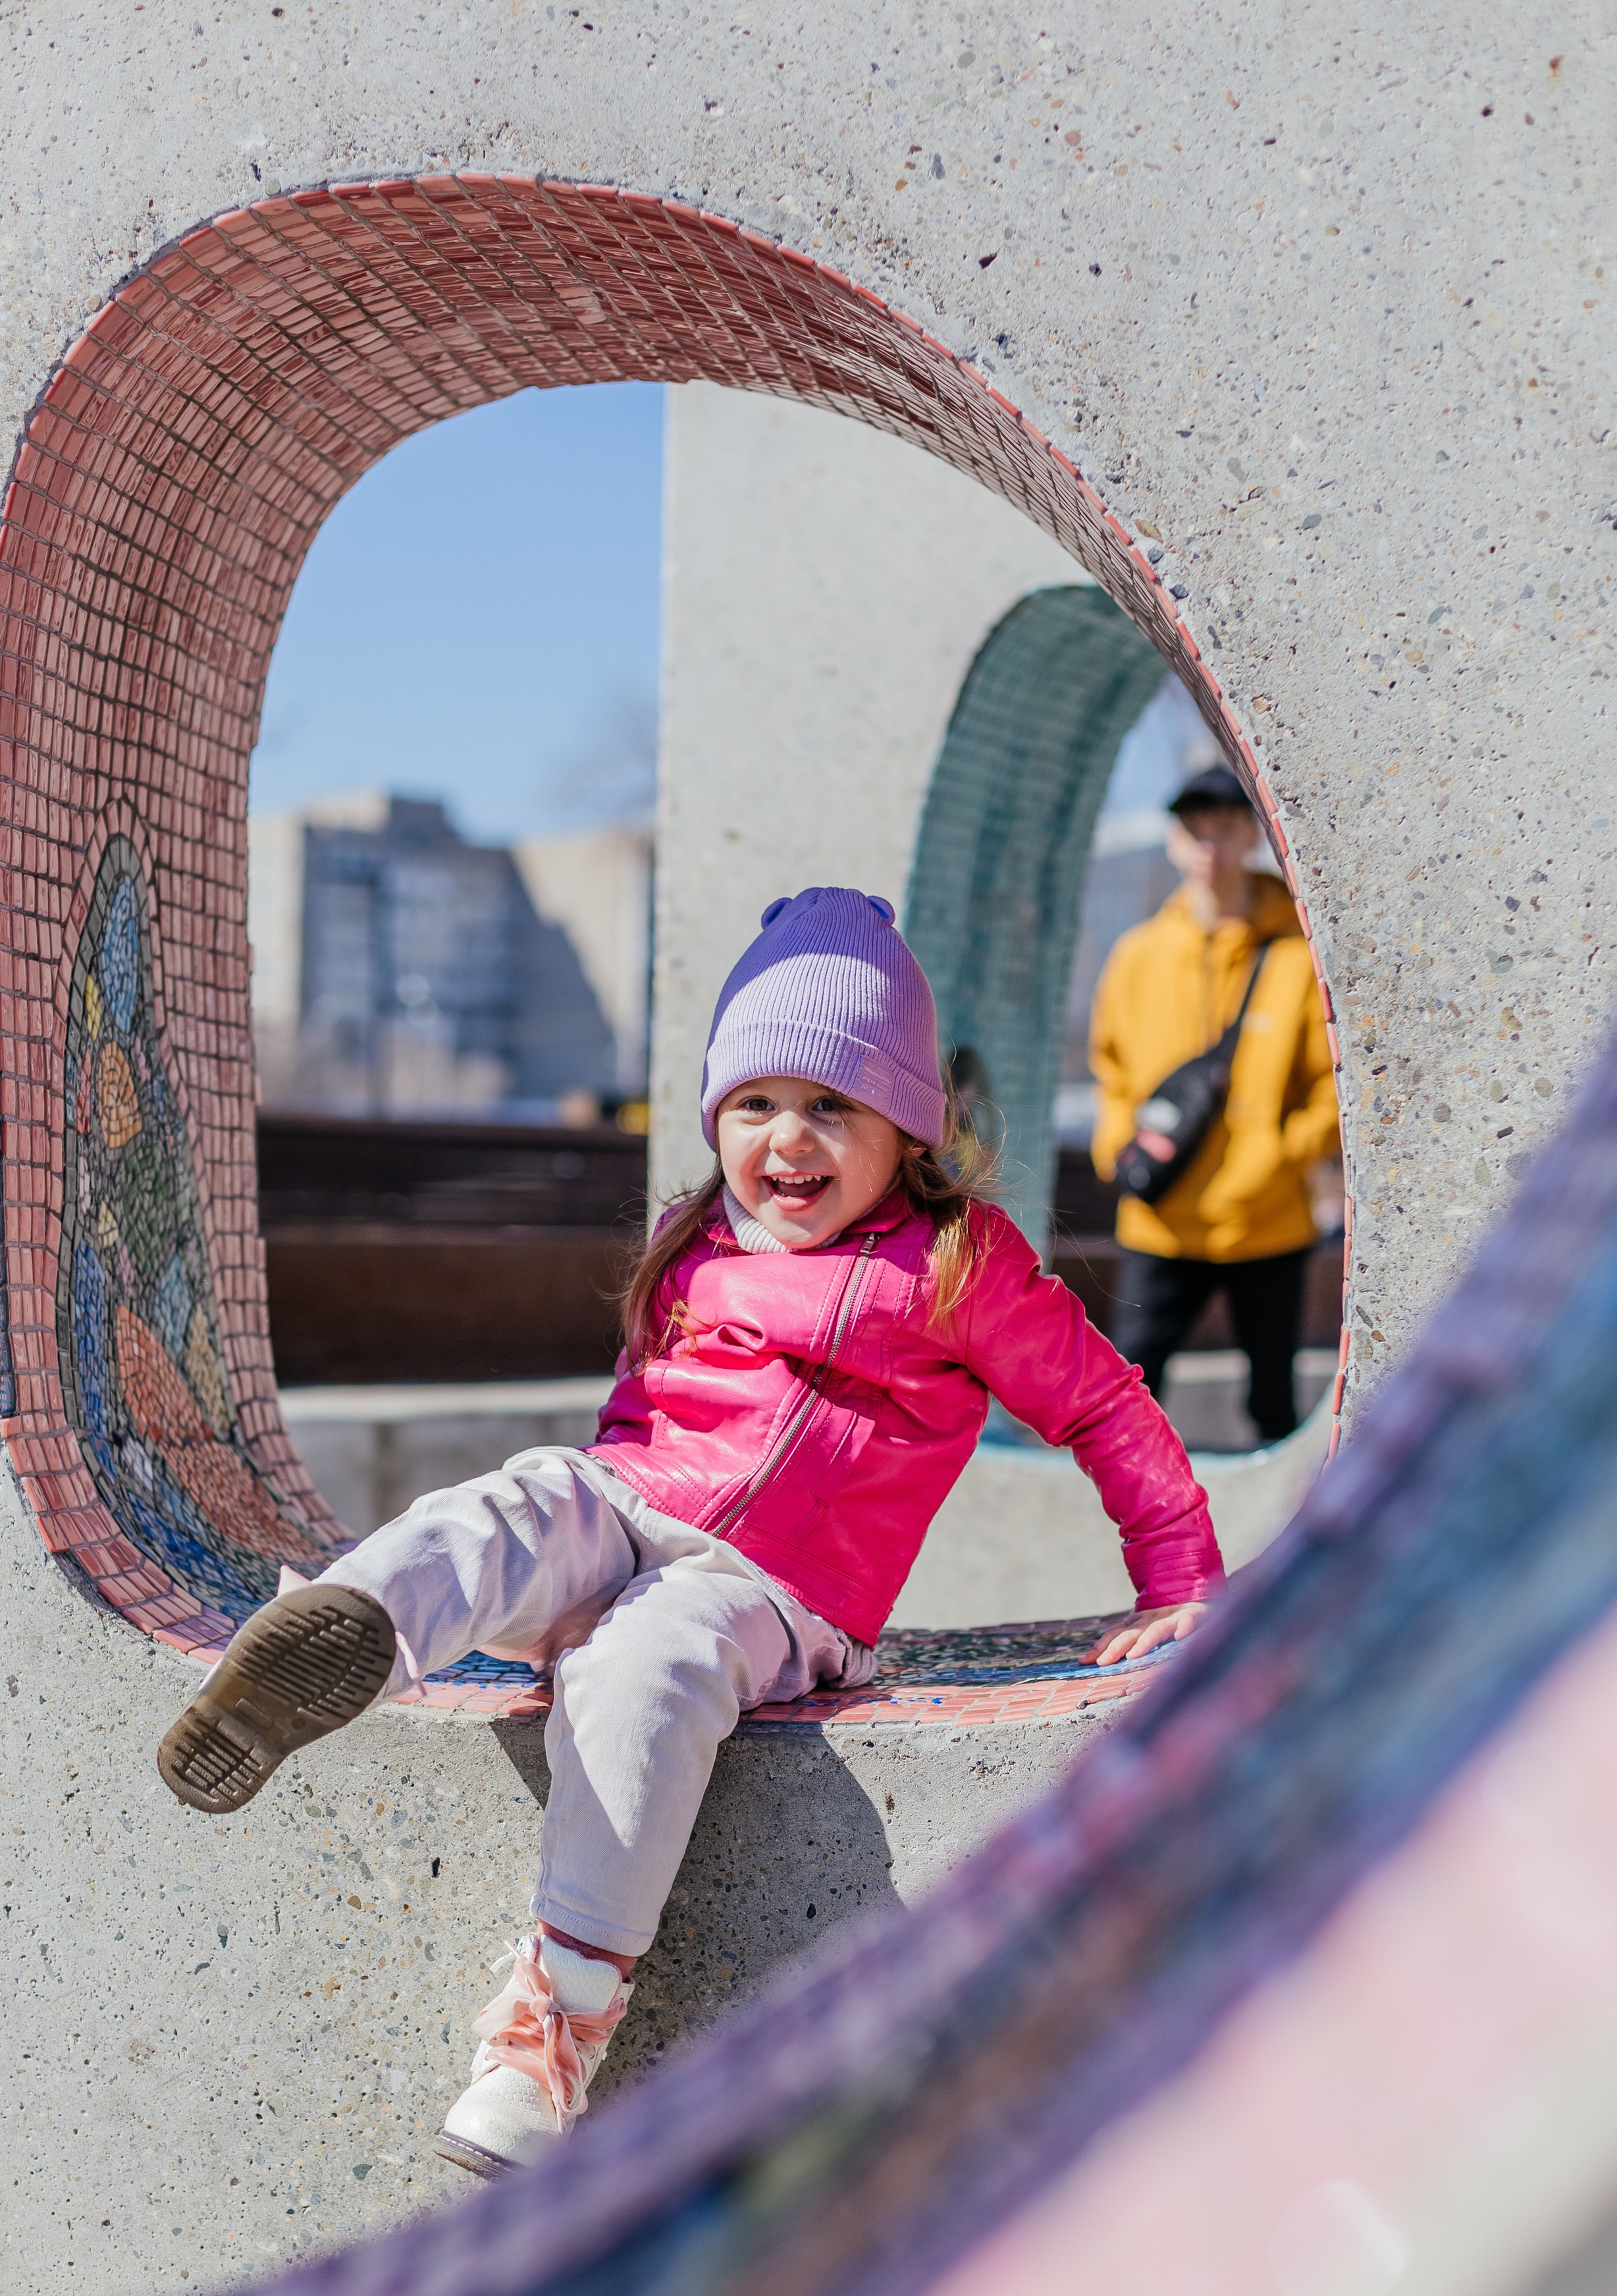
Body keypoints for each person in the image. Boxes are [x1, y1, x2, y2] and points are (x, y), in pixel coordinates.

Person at [157, 889, 1224, 2178]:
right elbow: (638, 1402)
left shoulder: (954, 1262)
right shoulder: (695, 1241)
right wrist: (590, 1530)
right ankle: (347, 1635)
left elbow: (1103, 1405)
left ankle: (542, 2040)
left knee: (646, 1663)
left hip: (777, 1592)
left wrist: (1177, 1578)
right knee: (516, 1504)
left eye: (832, 1105)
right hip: (633, 1493)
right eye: (754, 1105)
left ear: (906, 1130)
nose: (787, 1139)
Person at [1088, 766, 1340, 1443]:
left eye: (1225, 828)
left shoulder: (1297, 952)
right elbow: (1110, 1070)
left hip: (1267, 1219)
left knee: (1272, 1406)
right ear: (1174, 840)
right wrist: (1116, 1144)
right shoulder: (1138, 954)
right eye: (1194, 829)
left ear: (1251, 837)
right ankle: (1128, 1537)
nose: (1209, 846)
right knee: (1125, 1405)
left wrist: (1283, 1155)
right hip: (1161, 1219)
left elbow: (1330, 1084)